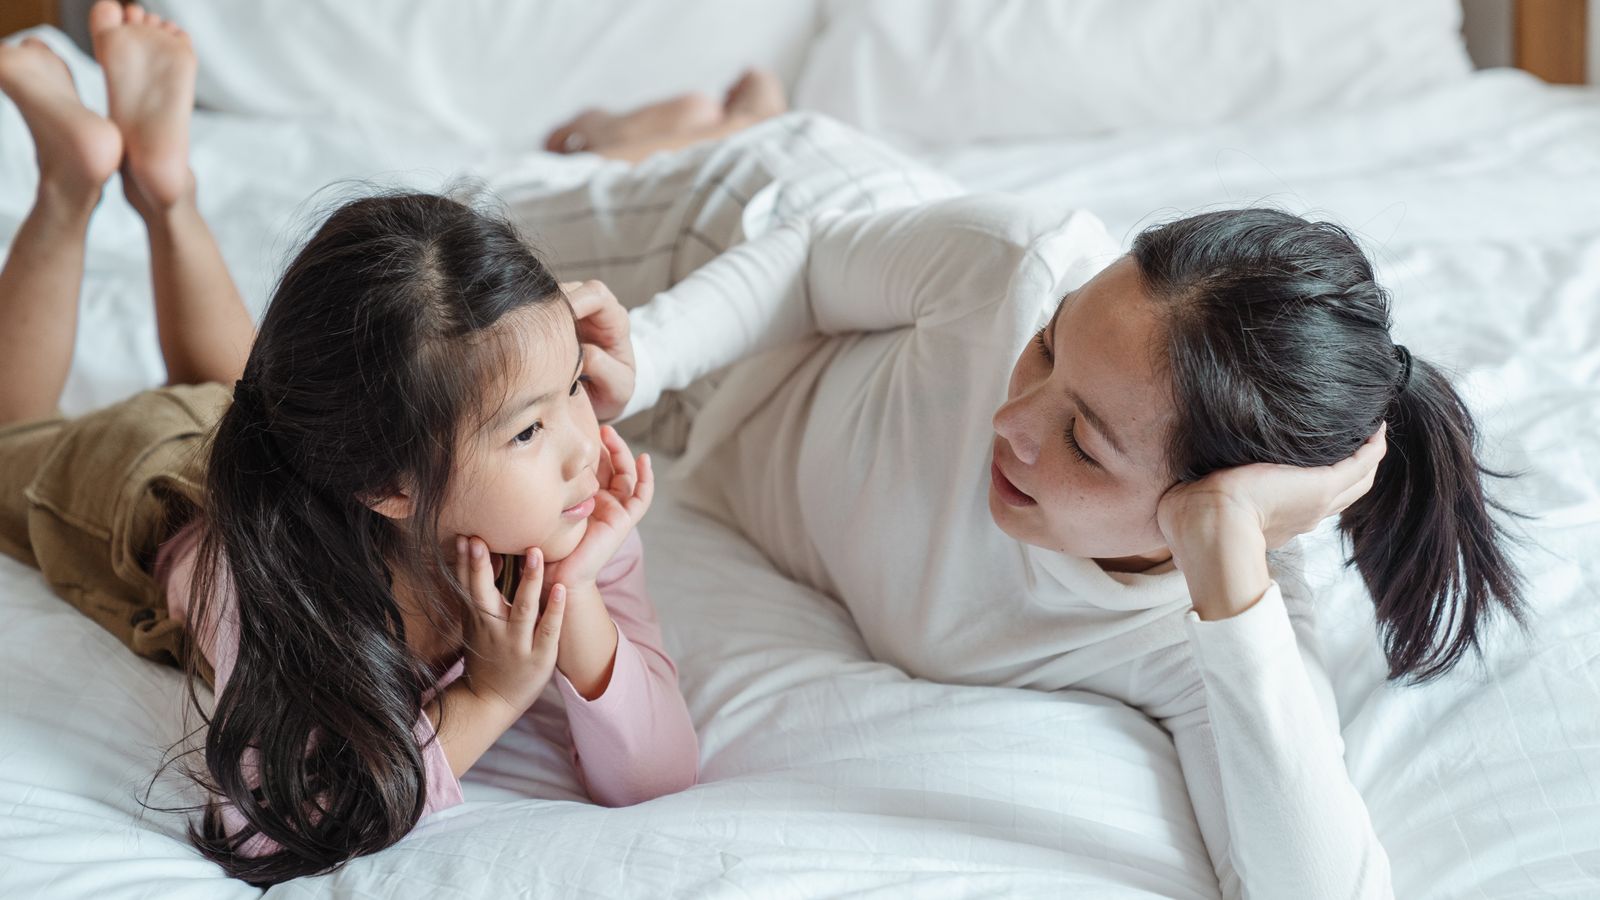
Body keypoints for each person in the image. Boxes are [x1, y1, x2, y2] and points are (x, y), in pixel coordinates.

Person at [497, 104, 1524, 898]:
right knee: (452, 257)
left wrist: (1222, 553)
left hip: (727, 431)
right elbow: (811, 263)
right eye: (1048, 347)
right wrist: (651, 351)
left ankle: (718, 109)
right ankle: (723, 122)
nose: (1013, 421)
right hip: (734, 249)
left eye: (1081, 439)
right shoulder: (1015, 267)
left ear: (1202, 508)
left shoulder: (1207, 629)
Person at [0, 3, 697, 886]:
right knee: (12, 438)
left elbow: (661, 775)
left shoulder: (564, 505)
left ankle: (164, 183)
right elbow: (266, 831)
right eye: (527, 427)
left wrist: (578, 589)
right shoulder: (273, 581)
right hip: (147, 482)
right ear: (388, 485)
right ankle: (72, 179)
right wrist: (487, 697)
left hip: (280, 436)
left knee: (239, 385)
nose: (580, 445)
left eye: (572, 389)